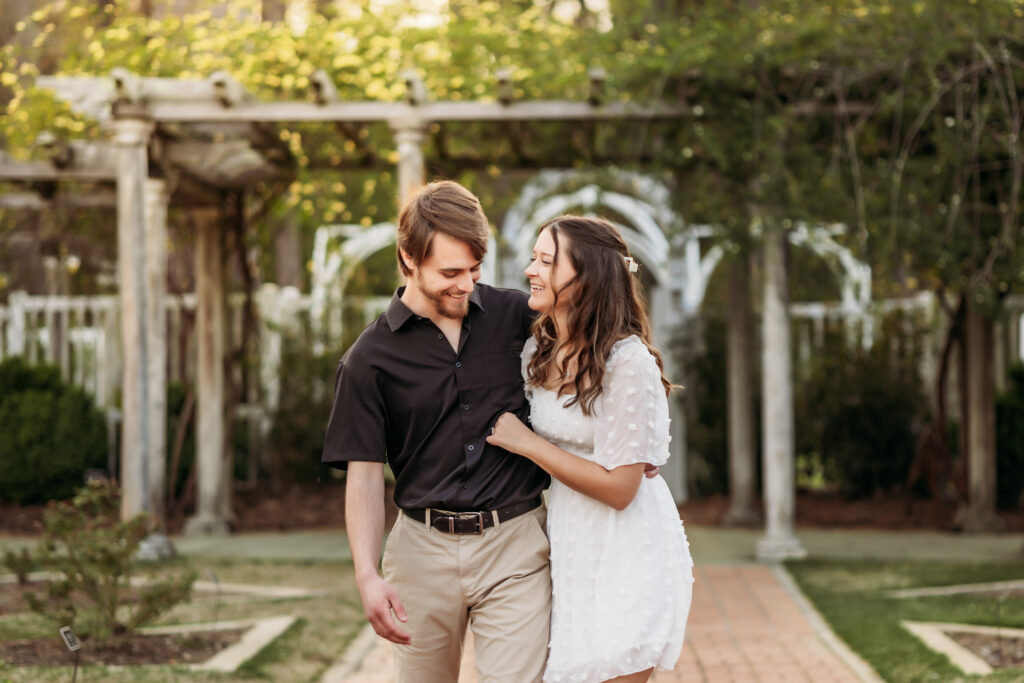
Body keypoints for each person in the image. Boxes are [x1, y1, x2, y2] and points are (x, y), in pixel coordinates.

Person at [322, 180, 552, 683]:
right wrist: (366, 574)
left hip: (516, 544)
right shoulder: (367, 361)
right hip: (420, 553)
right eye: (449, 272)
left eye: (474, 269)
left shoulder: (519, 318)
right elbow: (362, 476)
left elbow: (597, 349)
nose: (465, 284)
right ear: (408, 259)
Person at [487, 215, 694, 683]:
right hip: (570, 545)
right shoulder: (539, 350)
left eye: (545, 261)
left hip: (625, 549)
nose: (530, 271)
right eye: (534, 258)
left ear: (586, 277)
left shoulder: (628, 363)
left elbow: (622, 488)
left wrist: (529, 445)